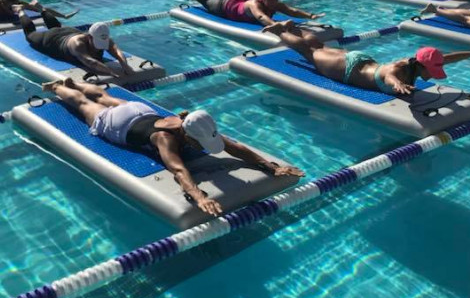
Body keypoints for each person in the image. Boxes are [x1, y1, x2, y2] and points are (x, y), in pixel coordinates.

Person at [41, 78, 303, 217]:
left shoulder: (189, 124)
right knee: (85, 104)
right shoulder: (165, 139)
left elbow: (233, 147)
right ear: (188, 136)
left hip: (139, 111)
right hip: (116, 124)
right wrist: (200, 197)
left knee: (104, 96)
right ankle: (59, 88)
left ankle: (74, 84)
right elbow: (178, 170)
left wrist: (270, 167)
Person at [263, 21, 470, 95]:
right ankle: (280, 31)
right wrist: (397, 85)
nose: (435, 74)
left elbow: (449, 58)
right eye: (434, 70)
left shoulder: (414, 62)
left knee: (318, 45)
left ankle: (293, 29)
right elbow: (389, 76)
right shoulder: (399, 70)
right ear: (423, 66)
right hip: (347, 69)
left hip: (358, 59)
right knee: (310, 52)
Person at [185, 0, 327, 44]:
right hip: (225, 6)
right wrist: (276, 25)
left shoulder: (275, 3)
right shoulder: (255, 4)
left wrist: (311, 16)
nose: (274, 2)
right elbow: (261, 17)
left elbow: (291, 10)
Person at [19, 13, 134, 79]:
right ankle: (20, 11)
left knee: (58, 26)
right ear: (89, 37)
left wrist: (125, 65)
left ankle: (42, 10)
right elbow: (90, 62)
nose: (99, 47)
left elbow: (117, 51)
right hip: (52, 39)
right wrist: (111, 72)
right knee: (30, 35)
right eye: (96, 43)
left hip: (68, 30)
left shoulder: (105, 38)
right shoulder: (77, 44)